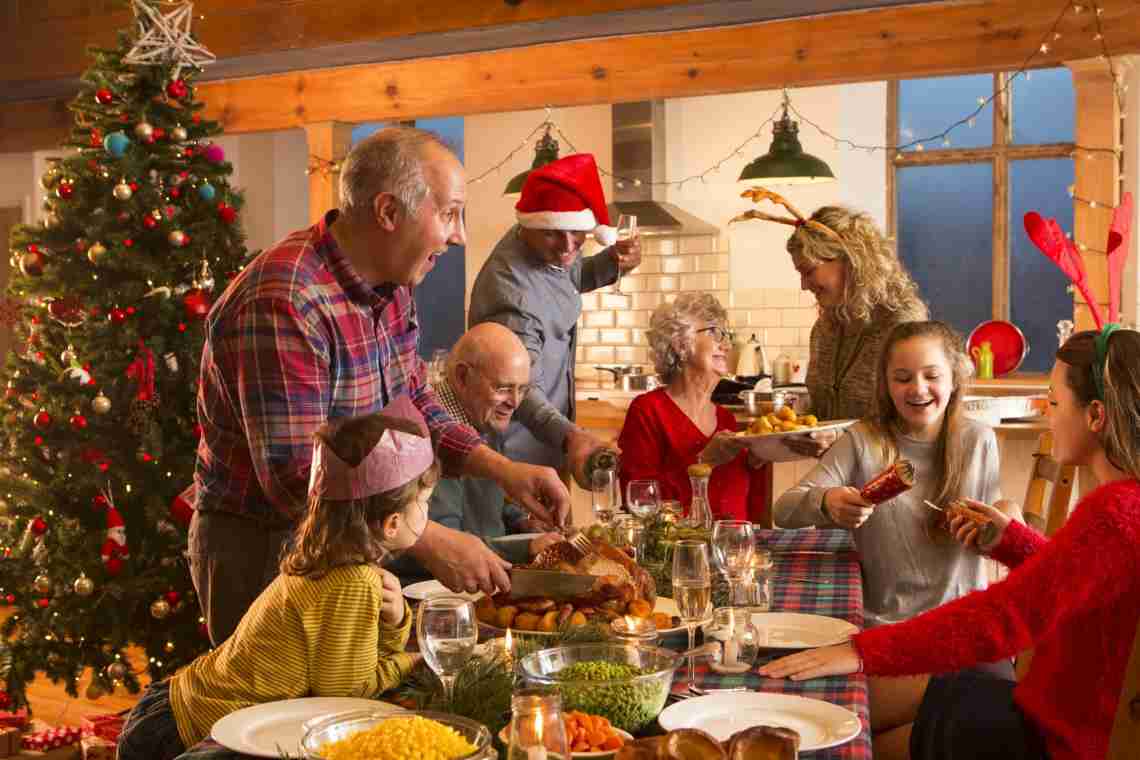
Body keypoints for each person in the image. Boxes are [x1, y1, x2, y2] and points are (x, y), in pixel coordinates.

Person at [191, 127, 569, 645]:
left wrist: (502, 470)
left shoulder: (391, 287)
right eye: (449, 212)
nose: (458, 235)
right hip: (268, 550)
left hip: (353, 540)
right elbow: (296, 479)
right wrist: (427, 538)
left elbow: (415, 407)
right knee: (277, 719)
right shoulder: (285, 300)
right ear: (389, 212)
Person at [760, 325, 1140, 760]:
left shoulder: (1114, 513)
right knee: (851, 728)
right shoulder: (1123, 507)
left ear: (1095, 416)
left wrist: (860, 651)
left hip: (1049, 738)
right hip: (1042, 712)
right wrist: (1012, 542)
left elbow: (1003, 617)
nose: (1048, 416)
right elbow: (1068, 584)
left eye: (1053, 402)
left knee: (837, 727)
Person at [119, 399, 433, 760]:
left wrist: (394, 623)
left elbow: (347, 667)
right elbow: (349, 697)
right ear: (392, 523)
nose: (427, 511)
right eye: (424, 502)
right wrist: (413, 658)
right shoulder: (352, 581)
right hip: (187, 735)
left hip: (171, 707)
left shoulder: (323, 560)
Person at [774, 321, 1008, 627]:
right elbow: (783, 510)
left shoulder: (979, 440)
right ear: (885, 385)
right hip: (884, 626)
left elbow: (997, 519)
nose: (918, 388)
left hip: (962, 624)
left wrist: (1006, 517)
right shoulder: (861, 439)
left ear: (954, 380)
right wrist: (826, 501)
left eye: (932, 376)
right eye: (902, 378)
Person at [468, 153, 642, 483]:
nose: (566, 247)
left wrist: (618, 261)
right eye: (553, 234)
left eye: (577, 233)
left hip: (546, 447)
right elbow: (516, 391)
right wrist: (571, 436)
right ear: (530, 225)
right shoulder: (513, 294)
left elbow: (571, 274)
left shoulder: (540, 244)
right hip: (515, 459)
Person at [738, 190, 927, 458]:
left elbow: (917, 422)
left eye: (808, 270)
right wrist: (786, 434)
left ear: (850, 261)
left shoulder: (902, 325)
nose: (804, 285)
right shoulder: (825, 329)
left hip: (894, 479)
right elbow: (825, 414)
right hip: (842, 480)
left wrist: (841, 439)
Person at [388, 323, 562, 584]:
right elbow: (443, 551)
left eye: (523, 389)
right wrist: (526, 549)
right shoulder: (427, 443)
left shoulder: (483, 418)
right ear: (462, 377)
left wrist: (521, 522)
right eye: (503, 388)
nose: (515, 402)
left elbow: (484, 506)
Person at [618, 293, 770, 523]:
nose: (726, 345)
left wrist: (757, 463)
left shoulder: (726, 419)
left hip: (733, 550)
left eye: (725, 335)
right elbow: (640, 506)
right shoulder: (648, 411)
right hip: (678, 554)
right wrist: (703, 461)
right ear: (680, 344)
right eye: (714, 332)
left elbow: (751, 510)